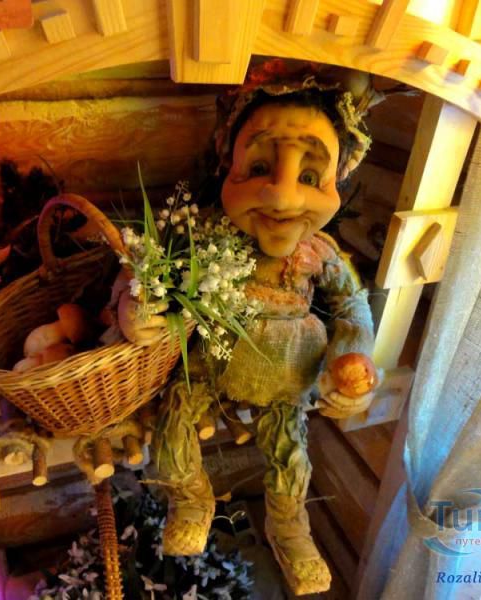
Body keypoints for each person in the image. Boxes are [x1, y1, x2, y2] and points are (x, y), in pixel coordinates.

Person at [118, 62, 382, 595]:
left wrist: (352, 361)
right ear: (228, 164)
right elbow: (149, 278)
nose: (283, 197)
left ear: (337, 179)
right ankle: (191, 500)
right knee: (171, 435)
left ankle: (289, 529)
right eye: (259, 167)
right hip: (208, 367)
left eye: (310, 177)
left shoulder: (320, 252)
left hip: (289, 379)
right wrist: (139, 307)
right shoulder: (205, 230)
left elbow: (351, 305)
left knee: (291, 461)